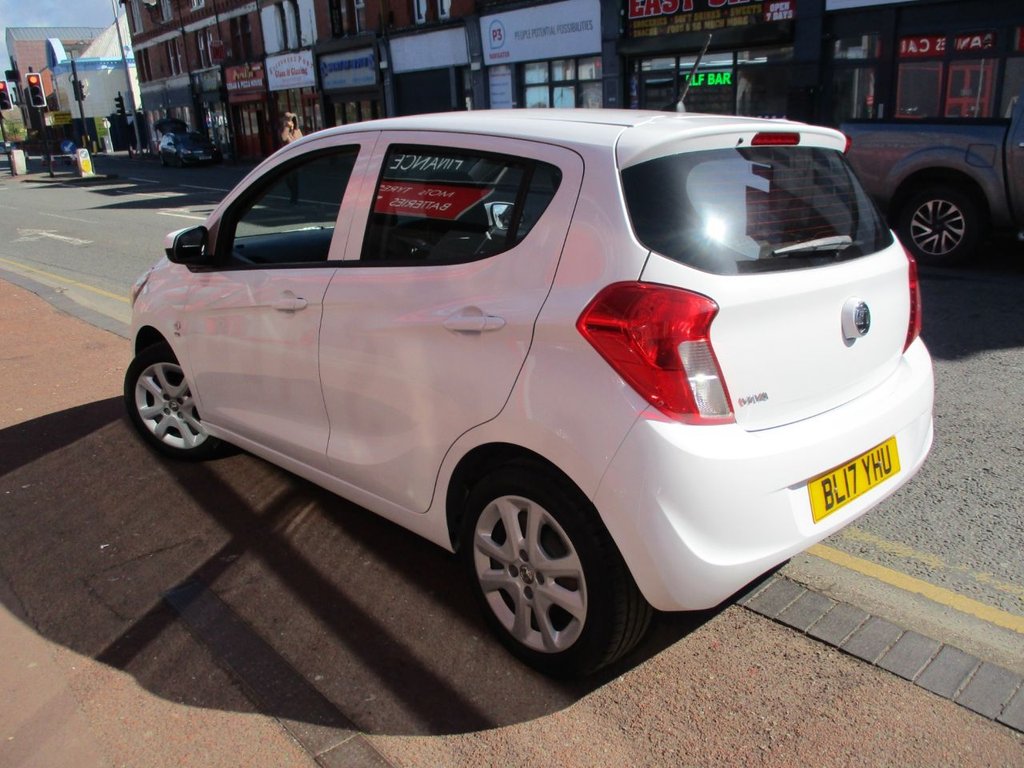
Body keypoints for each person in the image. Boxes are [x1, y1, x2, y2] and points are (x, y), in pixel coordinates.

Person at [280, 112, 303, 203]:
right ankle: (293, 195)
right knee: (287, 179)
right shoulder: (284, 130)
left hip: (295, 159)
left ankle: (294, 197)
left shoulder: (296, 131)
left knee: (294, 178)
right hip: (286, 159)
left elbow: (301, 140)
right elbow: (283, 138)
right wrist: (287, 127)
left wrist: (293, 128)